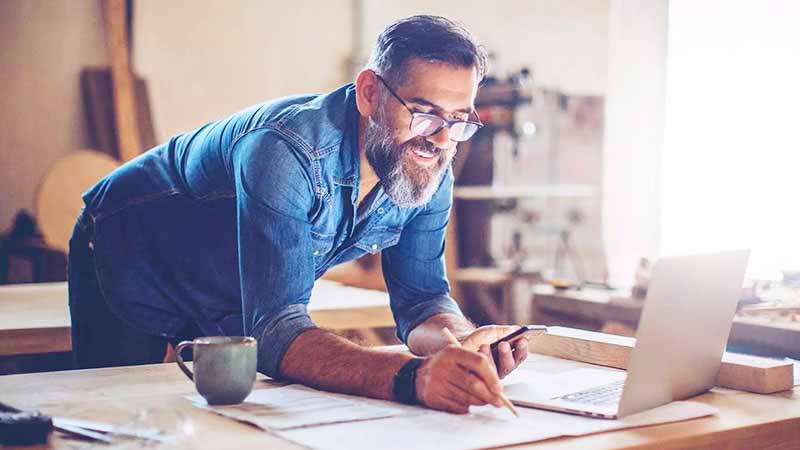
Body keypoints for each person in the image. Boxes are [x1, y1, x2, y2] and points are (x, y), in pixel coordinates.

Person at [68, 15, 530, 414]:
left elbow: (423, 301)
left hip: (230, 289)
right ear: (370, 92)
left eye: (458, 120)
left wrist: (463, 345)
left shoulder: (428, 165)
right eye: (425, 113)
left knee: (218, 426)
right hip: (131, 253)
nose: (441, 139)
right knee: (120, 419)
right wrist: (413, 378)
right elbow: (276, 331)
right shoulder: (284, 152)